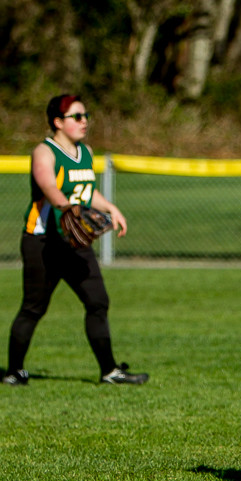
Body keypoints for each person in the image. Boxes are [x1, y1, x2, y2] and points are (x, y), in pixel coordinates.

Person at [2, 94, 148, 386]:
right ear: (58, 122)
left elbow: (86, 190)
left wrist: (110, 207)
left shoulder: (86, 152)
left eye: (86, 116)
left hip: (73, 240)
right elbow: (48, 184)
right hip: (42, 242)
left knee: (97, 301)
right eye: (77, 117)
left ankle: (109, 372)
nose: (84, 122)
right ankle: (14, 372)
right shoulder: (45, 151)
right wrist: (66, 207)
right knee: (33, 307)